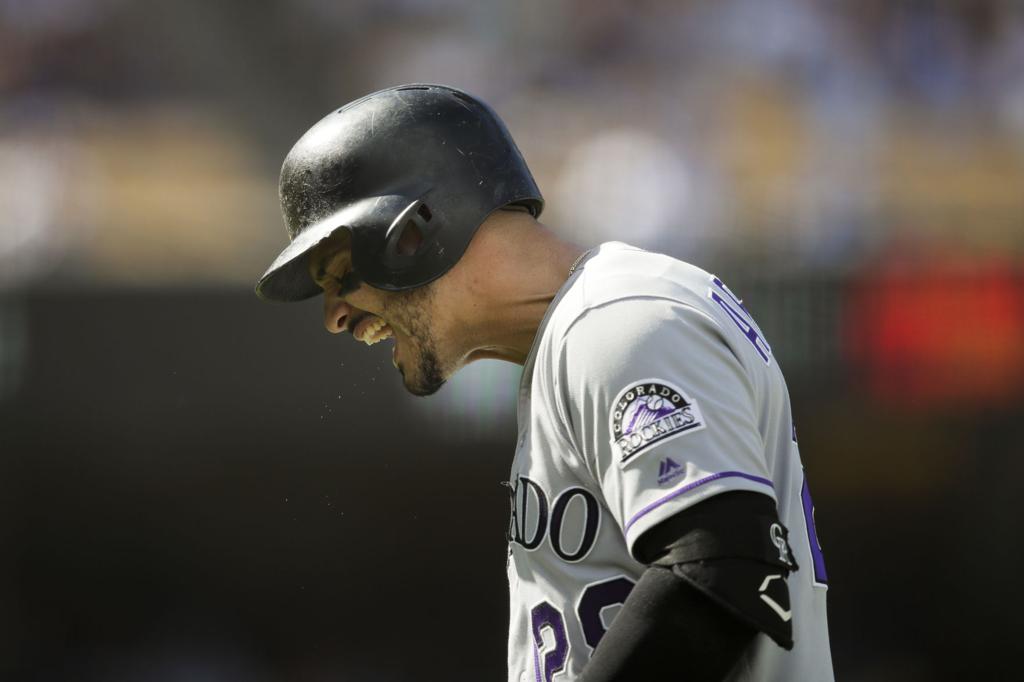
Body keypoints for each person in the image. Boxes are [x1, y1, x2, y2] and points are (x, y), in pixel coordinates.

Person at [256, 84, 834, 681]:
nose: (335, 316)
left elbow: (723, 566)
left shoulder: (616, 318)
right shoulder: (578, 336)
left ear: (411, 235)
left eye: (340, 275)